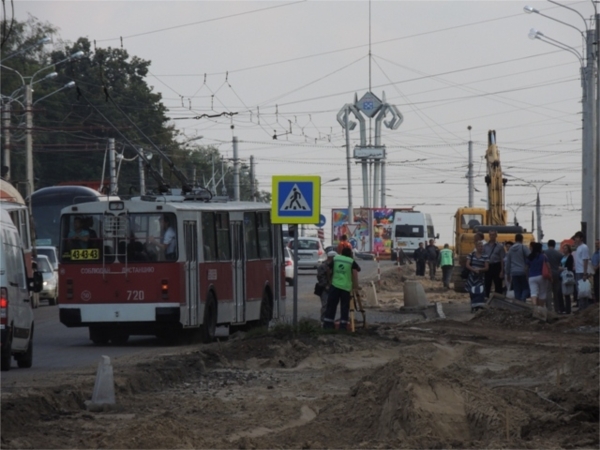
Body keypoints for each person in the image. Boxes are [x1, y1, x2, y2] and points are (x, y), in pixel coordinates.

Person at [323, 247, 361, 331]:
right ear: (350, 254)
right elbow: (358, 269)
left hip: (335, 285)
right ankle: (343, 326)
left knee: (331, 306)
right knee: (344, 307)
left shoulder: (336, 258)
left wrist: (330, 280)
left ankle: (327, 325)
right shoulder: (351, 261)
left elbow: (328, 269)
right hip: (345, 288)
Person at [465, 240, 489, 312]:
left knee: (479, 291)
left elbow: (487, 267)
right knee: (471, 291)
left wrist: (480, 269)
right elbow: (467, 265)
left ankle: (478, 306)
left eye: (482, 246)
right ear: (476, 247)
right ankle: (473, 305)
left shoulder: (485, 256)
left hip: (480, 277)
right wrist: (473, 270)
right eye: (479, 246)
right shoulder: (471, 255)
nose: (481, 248)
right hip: (472, 276)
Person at [505, 233, 530, 302]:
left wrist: (508, 274)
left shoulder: (510, 249)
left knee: (517, 289)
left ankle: (519, 304)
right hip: (523, 271)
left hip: (514, 272)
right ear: (522, 240)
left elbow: (508, 263)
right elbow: (530, 256)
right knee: (526, 288)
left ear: (515, 240)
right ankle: (522, 299)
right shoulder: (523, 247)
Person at [526, 242, 550, 309]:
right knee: (542, 293)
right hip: (542, 276)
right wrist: (550, 275)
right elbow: (548, 266)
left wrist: (527, 276)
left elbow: (526, 268)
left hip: (531, 277)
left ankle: (534, 306)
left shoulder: (529, 257)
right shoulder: (543, 256)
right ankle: (540, 308)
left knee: (533, 292)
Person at [483, 230, 505, 298]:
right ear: (489, 236)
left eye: (493, 235)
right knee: (487, 283)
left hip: (497, 266)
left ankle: (499, 299)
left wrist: (502, 270)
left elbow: (502, 259)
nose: (492, 236)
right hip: (488, 266)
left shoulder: (500, 246)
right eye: (491, 235)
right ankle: (486, 298)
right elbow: (483, 257)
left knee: (498, 284)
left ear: (496, 236)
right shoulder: (485, 246)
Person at [572, 231, 591, 311]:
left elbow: (585, 260)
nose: (575, 239)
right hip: (578, 270)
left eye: (577, 238)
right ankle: (581, 307)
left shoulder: (584, 247)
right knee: (579, 290)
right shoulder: (578, 247)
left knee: (583, 290)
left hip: (581, 271)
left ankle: (584, 308)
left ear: (581, 238)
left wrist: (584, 273)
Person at [316, 251, 336, 325]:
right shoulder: (323, 266)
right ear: (330, 257)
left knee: (331, 304)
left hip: (333, 287)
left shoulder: (334, 265)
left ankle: (329, 320)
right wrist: (326, 285)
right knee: (325, 304)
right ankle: (324, 320)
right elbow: (320, 277)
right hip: (325, 288)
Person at [544, 239, 564, 312]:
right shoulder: (558, 254)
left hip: (548, 274)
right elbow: (561, 264)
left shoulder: (544, 253)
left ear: (548, 245)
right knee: (556, 292)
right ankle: (557, 308)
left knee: (548, 291)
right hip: (556, 274)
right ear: (555, 245)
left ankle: (549, 309)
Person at [558, 244, 575, 314]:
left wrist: (562, 268)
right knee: (559, 292)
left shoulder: (570, 257)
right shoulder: (562, 257)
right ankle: (562, 308)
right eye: (563, 248)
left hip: (567, 275)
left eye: (566, 248)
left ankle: (568, 310)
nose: (564, 250)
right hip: (561, 275)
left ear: (568, 249)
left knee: (567, 293)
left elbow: (570, 267)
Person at [592, 239, 599, 304]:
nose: (596, 245)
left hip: (598, 271)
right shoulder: (595, 253)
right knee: (596, 287)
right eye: (595, 244)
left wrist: (596, 267)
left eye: (597, 243)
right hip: (595, 271)